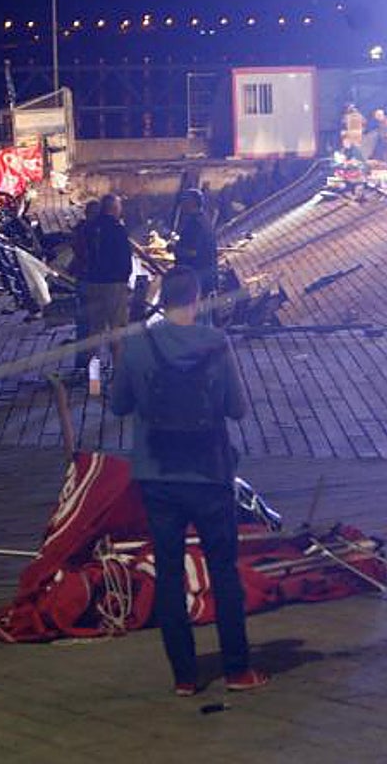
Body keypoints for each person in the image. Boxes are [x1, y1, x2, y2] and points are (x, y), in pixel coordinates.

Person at [110, 266, 268, 695]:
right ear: (197, 300)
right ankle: (237, 670)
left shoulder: (137, 345)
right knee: (224, 571)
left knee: (169, 574)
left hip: (157, 474)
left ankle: (184, 676)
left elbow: (119, 405)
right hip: (209, 473)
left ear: (162, 299)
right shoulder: (216, 343)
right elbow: (237, 409)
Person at [83, 194, 133, 366]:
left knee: (94, 332)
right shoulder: (118, 229)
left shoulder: (90, 228)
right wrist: (125, 281)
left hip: (93, 283)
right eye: (119, 207)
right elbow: (125, 259)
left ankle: (93, 377)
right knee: (116, 331)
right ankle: (117, 374)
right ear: (114, 208)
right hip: (114, 285)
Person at [69, 199, 100, 369]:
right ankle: (90, 371)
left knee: (84, 326)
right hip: (92, 283)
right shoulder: (94, 232)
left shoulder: (81, 230)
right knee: (91, 327)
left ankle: (82, 366)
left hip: (83, 282)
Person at [172, 188, 219, 300]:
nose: (181, 204)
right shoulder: (204, 220)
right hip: (205, 277)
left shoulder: (194, 224)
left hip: (195, 277)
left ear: (192, 202)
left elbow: (192, 252)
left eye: (185, 200)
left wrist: (174, 248)